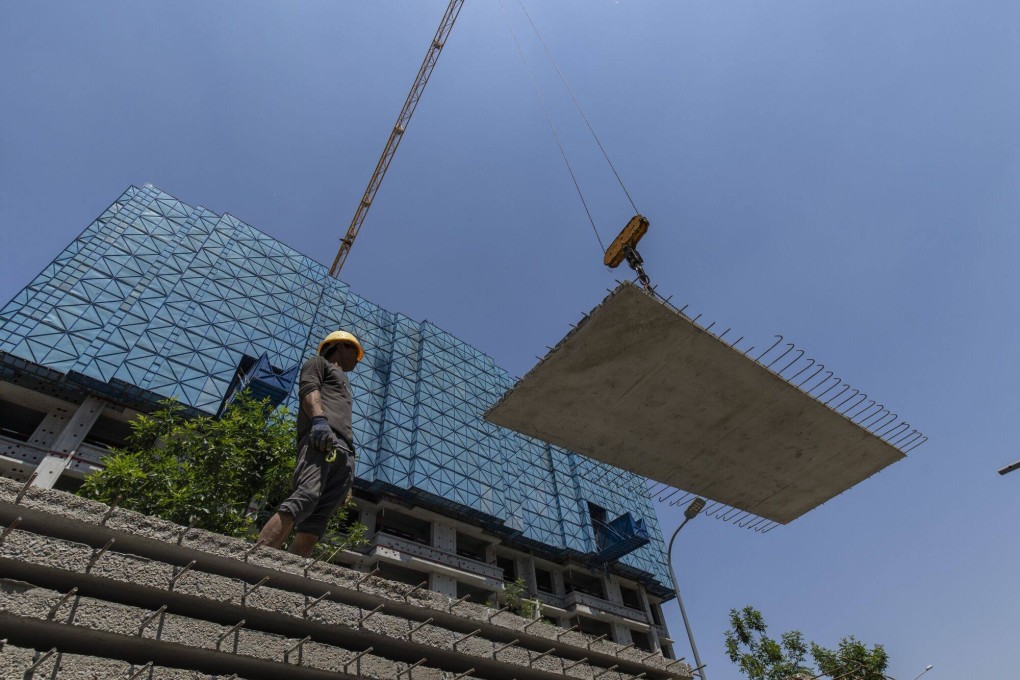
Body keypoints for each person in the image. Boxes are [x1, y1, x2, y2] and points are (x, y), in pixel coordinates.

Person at [258, 330, 364, 557]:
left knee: (317, 520)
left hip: (344, 452)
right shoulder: (318, 363)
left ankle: (285, 577)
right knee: (305, 496)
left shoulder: (345, 383)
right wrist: (318, 420)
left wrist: (349, 481)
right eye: (355, 351)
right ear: (341, 346)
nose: (357, 359)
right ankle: (255, 561)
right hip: (322, 439)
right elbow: (309, 390)